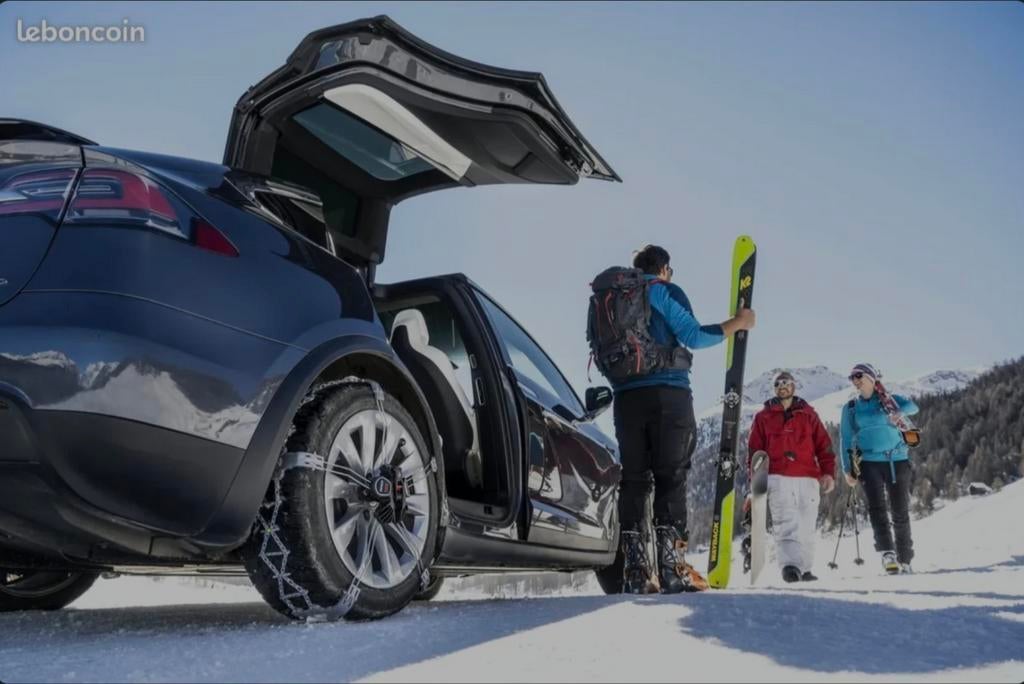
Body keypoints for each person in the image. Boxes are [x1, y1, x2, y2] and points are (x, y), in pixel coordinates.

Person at [612, 244, 756, 593]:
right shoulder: (662, 290)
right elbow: (692, 336)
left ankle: (635, 572)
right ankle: (672, 570)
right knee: (671, 478)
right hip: (669, 396)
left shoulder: (613, 298)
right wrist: (738, 322)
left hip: (626, 398)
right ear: (663, 268)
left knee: (633, 480)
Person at [747, 371, 836, 583]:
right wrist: (755, 482)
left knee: (807, 524)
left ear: (794, 386)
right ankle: (790, 566)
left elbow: (824, 446)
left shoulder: (808, 414)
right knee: (786, 522)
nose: (782, 386)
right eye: (777, 383)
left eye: (786, 383)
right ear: (774, 388)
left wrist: (828, 473)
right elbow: (754, 451)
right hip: (778, 476)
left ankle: (804, 568)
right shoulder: (763, 417)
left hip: (808, 477)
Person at [840, 363, 919, 574]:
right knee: (877, 510)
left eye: (859, 376)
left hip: (898, 460)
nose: (855, 380)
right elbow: (846, 439)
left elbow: (913, 407)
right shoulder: (851, 408)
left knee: (900, 511)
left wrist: (897, 411)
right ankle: (888, 554)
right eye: (852, 377)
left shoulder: (889, 400)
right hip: (869, 463)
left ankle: (906, 558)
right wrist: (847, 468)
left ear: (872, 378)